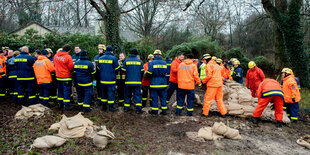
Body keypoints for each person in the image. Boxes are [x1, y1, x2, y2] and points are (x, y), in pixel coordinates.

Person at [98, 45, 120, 112]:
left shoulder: (100, 58)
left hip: (102, 80)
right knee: (111, 93)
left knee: (103, 93)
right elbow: (117, 69)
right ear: (111, 51)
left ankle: (104, 106)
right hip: (111, 80)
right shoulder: (114, 58)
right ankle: (111, 107)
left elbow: (98, 68)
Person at [122, 48, 144, 114]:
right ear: (136, 54)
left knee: (127, 95)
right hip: (137, 82)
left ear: (130, 53)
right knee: (137, 95)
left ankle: (126, 108)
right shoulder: (140, 62)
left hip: (128, 82)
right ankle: (138, 109)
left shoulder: (126, 61)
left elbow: (123, 70)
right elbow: (142, 72)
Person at [146, 50, 168, 115]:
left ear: (154, 55)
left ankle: (155, 111)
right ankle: (164, 111)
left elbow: (149, 73)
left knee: (154, 98)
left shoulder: (151, 63)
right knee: (163, 98)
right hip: (163, 83)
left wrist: (146, 74)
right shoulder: (165, 63)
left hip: (154, 83)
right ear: (160, 55)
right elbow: (166, 74)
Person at [53, 44, 74, 110]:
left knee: (60, 90)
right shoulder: (68, 57)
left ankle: (60, 104)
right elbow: (71, 67)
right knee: (66, 91)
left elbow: (54, 64)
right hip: (66, 76)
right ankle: (66, 105)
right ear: (69, 50)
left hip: (58, 76)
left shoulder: (55, 56)